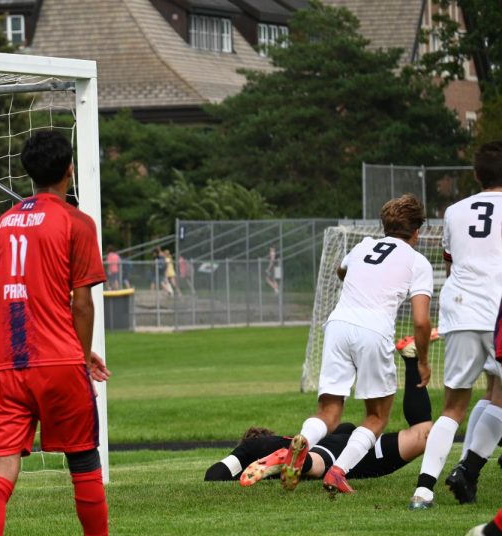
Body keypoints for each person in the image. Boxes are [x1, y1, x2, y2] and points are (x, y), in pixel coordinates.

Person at [0, 130, 143, 536]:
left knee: (1, 470)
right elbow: (82, 303)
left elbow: (24, 291)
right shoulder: (77, 221)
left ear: (28, 172)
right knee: (84, 460)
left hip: (6, 363)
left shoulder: (3, 223)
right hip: (57, 361)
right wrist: (80, 351)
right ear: (69, 169)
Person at [281, 194, 432, 496]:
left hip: (338, 325)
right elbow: (420, 321)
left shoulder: (363, 245)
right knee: (377, 415)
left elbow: (341, 270)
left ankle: (303, 441)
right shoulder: (418, 261)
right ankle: (338, 471)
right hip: (373, 331)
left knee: (329, 410)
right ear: (417, 231)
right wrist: (424, 360)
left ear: (384, 226)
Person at [409, 141, 502, 510]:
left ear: (476, 174)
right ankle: (468, 469)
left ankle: (423, 490)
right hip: (498, 311)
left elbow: (450, 263)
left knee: (453, 406)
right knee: (499, 397)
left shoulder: (455, 211)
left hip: (461, 307)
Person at [207, 344, 434, 484]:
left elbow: (214, 475)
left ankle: (298, 462)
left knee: (318, 462)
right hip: (360, 448)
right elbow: (345, 428)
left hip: (335, 454)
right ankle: (412, 360)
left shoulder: (252, 447)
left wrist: (240, 473)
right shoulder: (274, 442)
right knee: (424, 433)